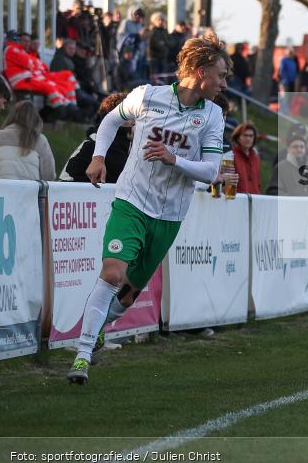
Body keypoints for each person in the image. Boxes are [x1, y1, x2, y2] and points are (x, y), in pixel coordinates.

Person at [66, 32, 230, 385]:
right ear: (201, 71)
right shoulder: (147, 95)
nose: (224, 83)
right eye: (221, 75)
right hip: (132, 201)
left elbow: (211, 171)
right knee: (113, 274)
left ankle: (96, 332)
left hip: (169, 215)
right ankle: (82, 355)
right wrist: (98, 157)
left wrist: (174, 159)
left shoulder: (213, 116)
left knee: (127, 295)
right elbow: (110, 120)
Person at [59, 93, 131, 183]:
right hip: (72, 190)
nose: (134, 121)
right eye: (129, 116)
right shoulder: (97, 144)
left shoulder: (122, 144)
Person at [0, 100, 56, 180]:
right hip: (29, 188)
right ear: (35, 118)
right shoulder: (40, 140)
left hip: (0, 187)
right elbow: (49, 175)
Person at [231, 122, 261, 194]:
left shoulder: (256, 158)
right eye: (245, 135)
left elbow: (258, 183)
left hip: (255, 198)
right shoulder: (231, 156)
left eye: (251, 136)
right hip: (237, 198)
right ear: (238, 137)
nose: (248, 138)